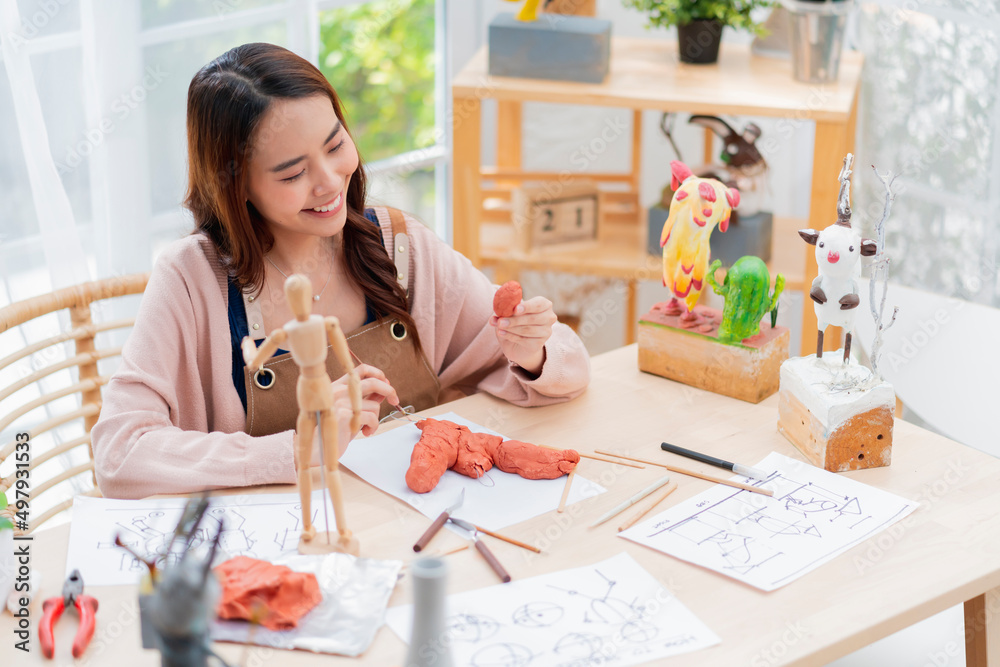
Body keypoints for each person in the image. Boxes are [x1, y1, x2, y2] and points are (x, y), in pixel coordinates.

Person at [92, 42, 591, 500]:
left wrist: (533, 353)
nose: (330, 182)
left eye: (335, 146)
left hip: (424, 524)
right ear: (235, 185)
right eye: (292, 173)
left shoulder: (399, 245)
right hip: (291, 549)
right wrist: (295, 448)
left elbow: (559, 373)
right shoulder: (191, 279)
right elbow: (119, 452)